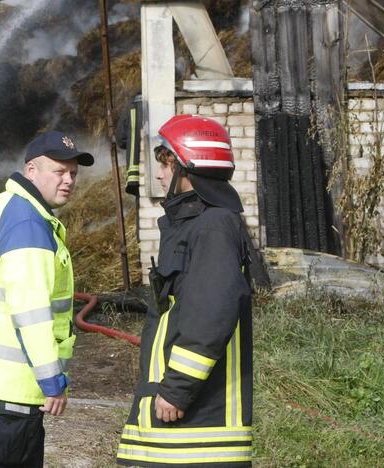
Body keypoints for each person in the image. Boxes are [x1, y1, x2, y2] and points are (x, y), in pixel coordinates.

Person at [117, 115, 254, 467]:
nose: (160, 174)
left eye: (165, 164)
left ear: (188, 169)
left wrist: (177, 387)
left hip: (196, 427)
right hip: (179, 423)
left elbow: (210, 312)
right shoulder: (195, 225)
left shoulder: (213, 228)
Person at [0, 130, 94, 467]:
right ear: (31, 170)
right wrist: (52, 382)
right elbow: (30, 312)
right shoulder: (28, 224)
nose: (69, 181)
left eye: (73, 173)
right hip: (14, 380)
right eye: (58, 172)